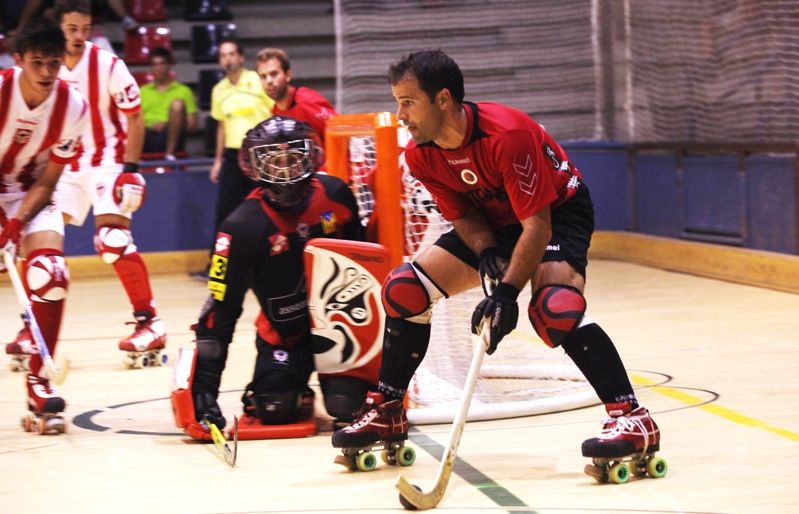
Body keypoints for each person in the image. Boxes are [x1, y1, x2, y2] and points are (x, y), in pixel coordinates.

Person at [332, 50, 661, 465]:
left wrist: (506, 294)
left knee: (553, 310)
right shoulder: (421, 154)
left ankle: (632, 417)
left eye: (408, 101)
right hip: (493, 218)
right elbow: (463, 214)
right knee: (405, 290)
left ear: (444, 99)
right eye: (398, 101)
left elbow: (537, 227)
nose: (400, 114)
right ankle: (387, 410)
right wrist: (487, 249)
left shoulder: (507, 134)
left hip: (556, 212)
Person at [171, 116, 375, 439]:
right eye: (274, 161)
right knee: (274, 409)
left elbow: (368, 268)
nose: (285, 169)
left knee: (351, 407)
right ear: (254, 165)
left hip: (342, 332)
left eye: (293, 158)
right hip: (285, 337)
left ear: (310, 156)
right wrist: (204, 392)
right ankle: (289, 386)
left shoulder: (336, 194)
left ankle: (336, 384)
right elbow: (220, 310)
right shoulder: (238, 229)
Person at [5, 0, 167, 363]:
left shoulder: (109, 64)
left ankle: (149, 321)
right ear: (58, 32)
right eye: (71, 30)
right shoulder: (43, 68)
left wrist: (131, 167)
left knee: (112, 240)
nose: (78, 37)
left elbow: (135, 116)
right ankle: (33, 324)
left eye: (84, 29)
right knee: (37, 247)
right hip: (61, 169)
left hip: (107, 162)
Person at [0, 17, 87, 430]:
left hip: (31, 195)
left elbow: (50, 179)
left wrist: (16, 223)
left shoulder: (74, 107)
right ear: (18, 60)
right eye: (38, 63)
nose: (48, 72)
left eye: (55, 63)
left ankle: (39, 382)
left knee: (51, 274)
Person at [190, 39, 273, 280]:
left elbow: (274, 110)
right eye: (223, 55)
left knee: (268, 210)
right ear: (220, 61)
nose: (227, 59)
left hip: (261, 155)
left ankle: (268, 264)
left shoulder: (258, 80)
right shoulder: (219, 90)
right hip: (232, 157)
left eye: (231, 54)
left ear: (240, 57)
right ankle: (215, 268)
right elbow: (221, 127)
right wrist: (217, 160)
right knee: (224, 214)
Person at [254, 48, 336, 154]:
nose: (269, 81)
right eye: (263, 77)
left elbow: (339, 132)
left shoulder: (306, 101)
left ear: (287, 75)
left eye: (274, 74)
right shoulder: (276, 111)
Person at [140, 46, 198, 160]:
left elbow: (192, 128)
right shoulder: (141, 92)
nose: (159, 67)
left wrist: (169, 123)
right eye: (155, 64)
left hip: (172, 137)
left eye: (162, 63)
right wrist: (151, 126)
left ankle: (169, 155)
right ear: (151, 68)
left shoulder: (184, 91)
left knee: (177, 104)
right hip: (146, 136)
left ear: (169, 66)